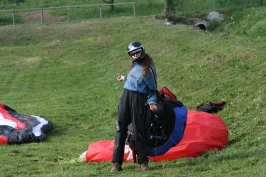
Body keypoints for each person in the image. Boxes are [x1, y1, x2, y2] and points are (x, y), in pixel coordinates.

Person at [111, 41, 157, 172]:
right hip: (126, 97)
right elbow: (134, 80)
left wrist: (152, 102)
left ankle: (143, 162)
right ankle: (116, 163)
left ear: (142, 51)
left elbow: (153, 90)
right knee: (120, 127)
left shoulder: (148, 69)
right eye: (133, 53)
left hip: (139, 99)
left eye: (138, 52)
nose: (136, 55)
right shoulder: (134, 66)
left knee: (138, 130)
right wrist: (124, 78)